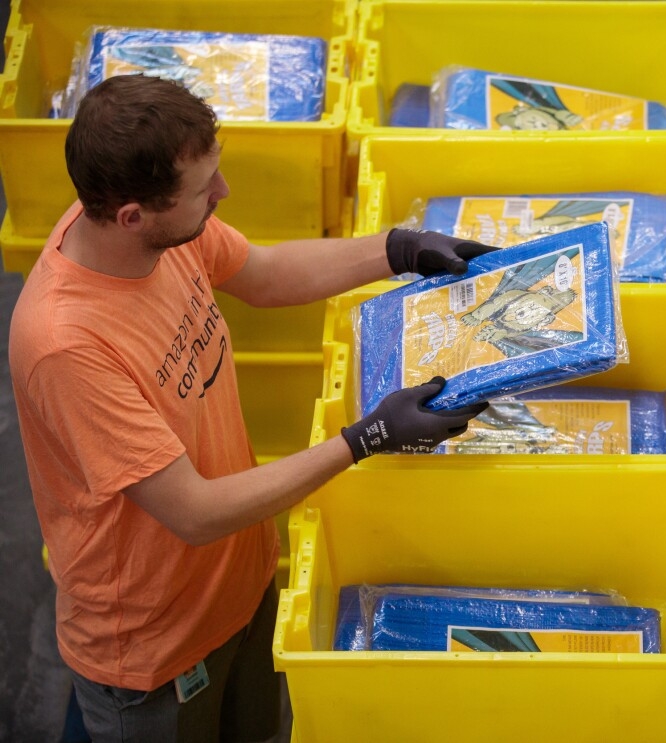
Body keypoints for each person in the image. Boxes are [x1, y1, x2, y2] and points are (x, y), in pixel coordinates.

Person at [7, 74, 494, 742]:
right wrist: (365, 437)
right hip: (155, 648)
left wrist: (397, 250)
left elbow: (262, 275)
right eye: (204, 187)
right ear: (131, 216)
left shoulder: (155, 236)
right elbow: (194, 512)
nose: (223, 192)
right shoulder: (67, 345)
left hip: (239, 585)